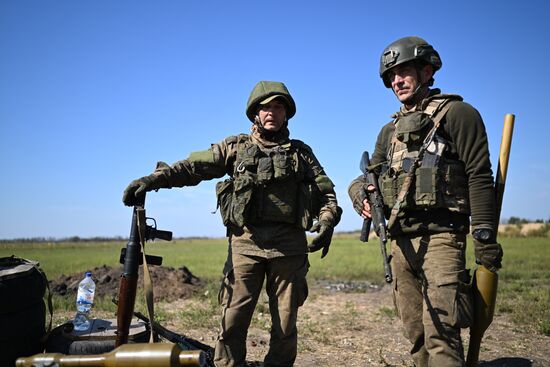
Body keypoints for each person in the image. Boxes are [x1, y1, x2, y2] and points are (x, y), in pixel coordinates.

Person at [123, 80, 342, 367]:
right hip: (246, 245)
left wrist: (327, 221)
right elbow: (192, 167)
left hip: (289, 248)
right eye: (265, 108)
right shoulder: (236, 148)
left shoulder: (301, 153)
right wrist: (154, 180)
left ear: (287, 113)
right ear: (255, 113)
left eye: (278, 107)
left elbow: (327, 193)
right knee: (233, 318)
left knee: (286, 323)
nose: (271, 113)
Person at [348, 36, 503, 366]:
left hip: (442, 240)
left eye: (403, 71)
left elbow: (479, 175)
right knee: (415, 335)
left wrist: (485, 238)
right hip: (400, 245)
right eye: (391, 76)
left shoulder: (458, 114)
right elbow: (368, 177)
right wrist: (358, 193)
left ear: (428, 70)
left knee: (442, 335)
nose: (397, 81)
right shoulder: (388, 132)